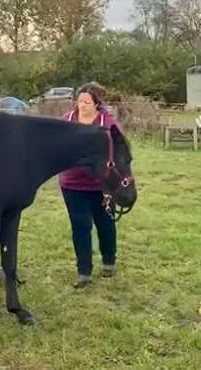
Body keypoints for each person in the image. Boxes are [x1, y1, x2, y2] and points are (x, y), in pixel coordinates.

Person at [59, 81, 121, 288]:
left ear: (97, 103)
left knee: (104, 223)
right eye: (79, 101)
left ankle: (109, 260)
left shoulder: (107, 122)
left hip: (101, 185)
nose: (82, 105)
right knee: (80, 226)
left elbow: (118, 150)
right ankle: (83, 271)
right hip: (72, 184)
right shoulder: (67, 120)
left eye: (87, 102)